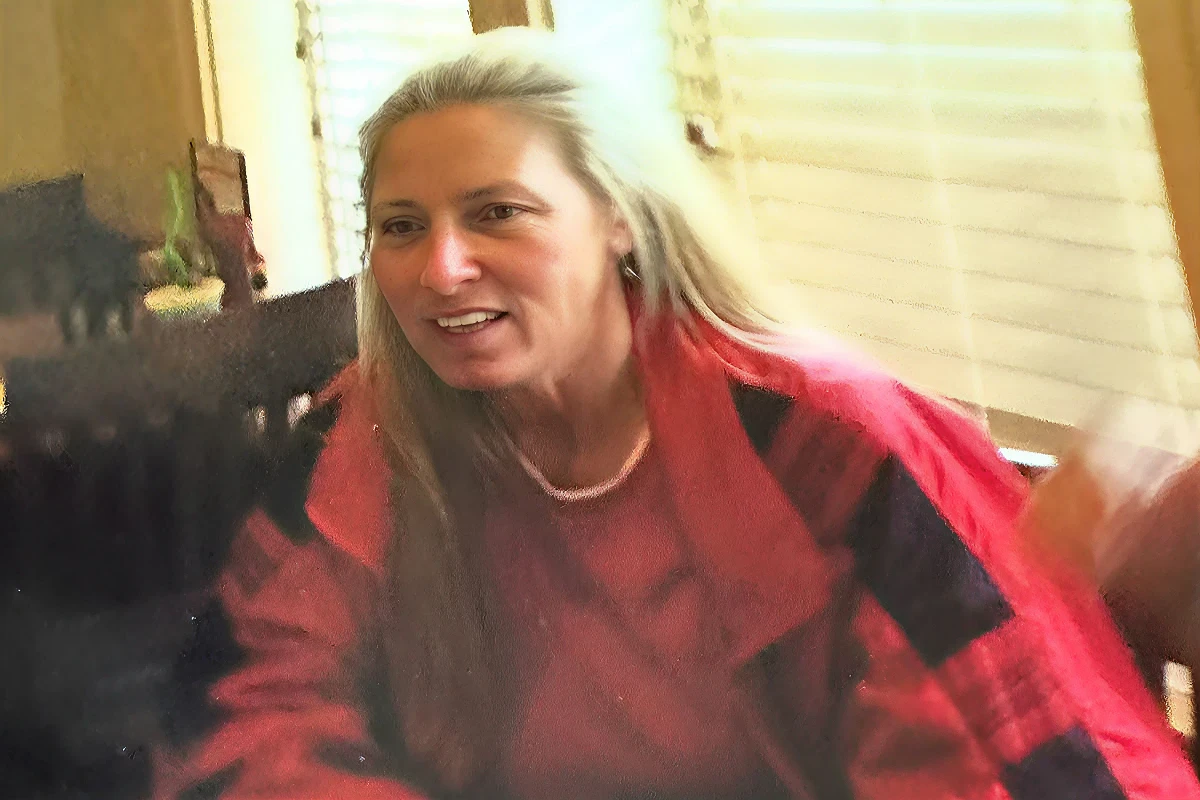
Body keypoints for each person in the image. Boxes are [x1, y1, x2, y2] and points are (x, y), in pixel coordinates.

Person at [157, 28, 1200, 800]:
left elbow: (1024, 768)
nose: (441, 268)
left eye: (497, 213)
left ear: (618, 220)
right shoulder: (366, 435)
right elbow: (234, 718)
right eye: (400, 226)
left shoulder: (832, 447)